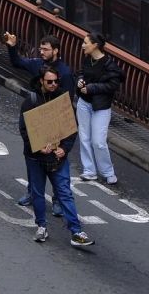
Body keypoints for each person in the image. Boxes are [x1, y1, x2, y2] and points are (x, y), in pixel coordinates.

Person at [19, 66, 93, 247]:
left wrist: (65, 149)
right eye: (49, 81)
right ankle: (41, 226)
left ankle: (76, 231)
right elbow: (24, 129)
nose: (53, 85)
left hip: (58, 157)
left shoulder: (62, 101)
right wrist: (38, 148)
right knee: (37, 192)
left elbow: (70, 129)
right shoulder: (31, 101)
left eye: (56, 82)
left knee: (65, 193)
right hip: (36, 157)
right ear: (42, 81)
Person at [73, 32, 120, 187]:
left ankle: (108, 172)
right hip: (84, 103)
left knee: (98, 141)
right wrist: (80, 81)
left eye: (86, 42)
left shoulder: (109, 65)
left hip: (101, 107)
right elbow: (81, 73)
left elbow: (113, 86)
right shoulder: (87, 59)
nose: (83, 45)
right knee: (84, 137)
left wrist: (91, 88)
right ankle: (89, 171)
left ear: (95, 45)